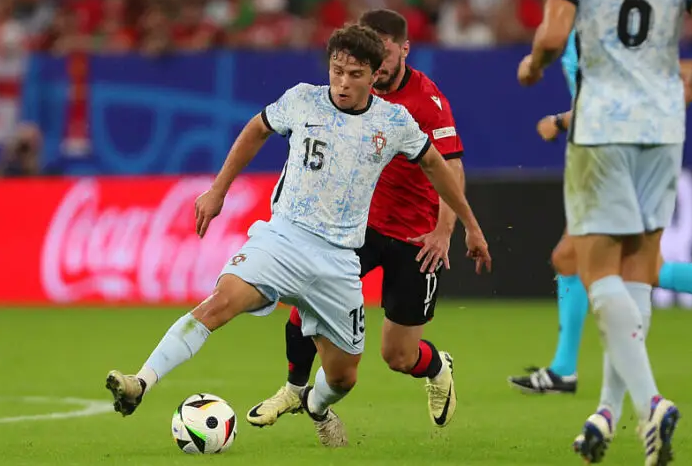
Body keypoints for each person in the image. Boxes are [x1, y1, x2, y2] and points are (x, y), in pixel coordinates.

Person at [105, 23, 491, 448]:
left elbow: (438, 165)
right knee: (220, 304)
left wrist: (467, 225)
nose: (343, 83)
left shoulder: (394, 121)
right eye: (337, 70)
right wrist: (217, 190)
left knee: (344, 376)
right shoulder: (302, 99)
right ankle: (140, 381)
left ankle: (318, 406)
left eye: (355, 74)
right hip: (283, 240)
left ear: (374, 74)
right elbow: (256, 129)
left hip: (341, 259)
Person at [246, 9, 481, 431]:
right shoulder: (349, 91)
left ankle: (436, 368)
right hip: (361, 228)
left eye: (386, 53)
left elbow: (450, 166)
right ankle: (295, 388)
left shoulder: (427, 101)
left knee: (398, 356)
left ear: (403, 50)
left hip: (415, 236)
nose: (378, 62)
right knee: (305, 297)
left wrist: (447, 230)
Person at [518, 0, 692, 464]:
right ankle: (605, 411)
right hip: (664, 127)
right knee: (638, 272)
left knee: (593, 267)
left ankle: (649, 402)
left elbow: (555, 35)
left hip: (603, 130)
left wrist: (534, 65)